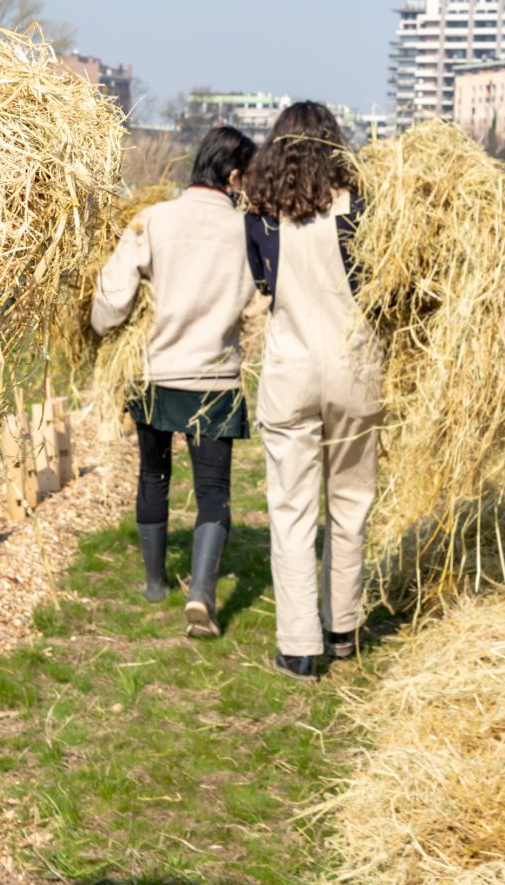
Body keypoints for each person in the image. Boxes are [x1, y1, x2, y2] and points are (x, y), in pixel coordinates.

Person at [91, 125, 258, 638]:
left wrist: (100, 325)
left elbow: (114, 298)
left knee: (153, 475)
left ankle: (154, 584)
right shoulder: (247, 231)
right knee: (212, 491)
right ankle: (203, 595)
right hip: (215, 379)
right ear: (233, 176)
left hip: (156, 374)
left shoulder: (153, 220)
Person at [242, 102, 381, 680]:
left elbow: (262, 283)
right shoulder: (363, 207)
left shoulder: (261, 214)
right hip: (355, 370)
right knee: (350, 504)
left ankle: (299, 645)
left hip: (291, 370)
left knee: (292, 510)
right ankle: (343, 627)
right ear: (335, 147)